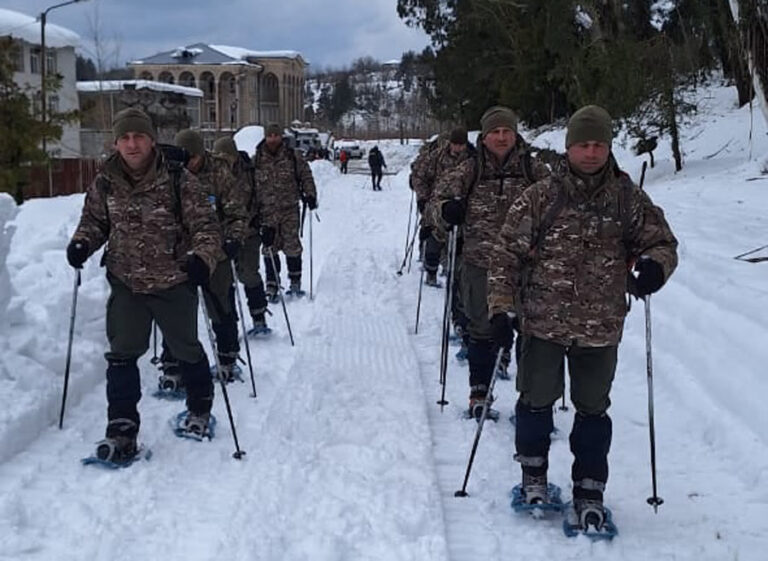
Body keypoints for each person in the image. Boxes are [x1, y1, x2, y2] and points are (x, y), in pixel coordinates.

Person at [487, 105, 678, 530]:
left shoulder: (628, 199)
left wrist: (655, 267)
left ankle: (589, 489)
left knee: (593, 410)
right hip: (542, 323)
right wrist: (501, 308)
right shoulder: (540, 197)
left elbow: (662, 242)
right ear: (569, 146)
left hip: (600, 327)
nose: (591, 153)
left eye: (599, 144)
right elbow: (505, 255)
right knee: (535, 401)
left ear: (608, 147)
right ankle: (533, 475)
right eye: (582, 144)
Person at [66, 108, 221, 461]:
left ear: (151, 140)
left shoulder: (180, 179)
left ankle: (199, 409)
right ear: (117, 142)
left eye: (138, 136)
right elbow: (94, 221)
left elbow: (206, 227)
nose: (132, 144)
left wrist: (203, 257)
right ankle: (121, 430)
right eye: (125, 138)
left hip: (174, 282)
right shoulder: (105, 180)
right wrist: (82, 243)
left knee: (186, 350)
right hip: (126, 283)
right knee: (121, 355)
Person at [431, 106, 550, 419]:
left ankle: (530, 402)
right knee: (481, 331)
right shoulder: (468, 171)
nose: (501, 137)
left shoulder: (533, 170)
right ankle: (479, 393)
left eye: (506, 131)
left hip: (527, 266)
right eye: (495, 132)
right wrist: (446, 211)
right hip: (480, 264)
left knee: (530, 333)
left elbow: (560, 205)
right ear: (483, 137)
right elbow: (436, 204)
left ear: (515, 134)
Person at [172, 130, 248, 383]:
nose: (188, 164)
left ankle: (227, 355)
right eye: (184, 158)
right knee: (176, 312)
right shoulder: (171, 173)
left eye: (192, 158)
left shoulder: (220, 173)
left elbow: (237, 213)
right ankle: (172, 363)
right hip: (181, 255)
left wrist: (234, 240)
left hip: (216, 253)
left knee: (219, 305)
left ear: (201, 154)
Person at [213, 136, 270, 335]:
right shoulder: (213, 174)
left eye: (227, 156)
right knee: (225, 283)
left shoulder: (250, 171)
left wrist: (265, 223)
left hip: (250, 232)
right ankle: (231, 329)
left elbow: (263, 197)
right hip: (223, 238)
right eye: (219, 157)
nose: (224, 160)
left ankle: (259, 316)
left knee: (248, 274)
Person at [254, 123, 318, 300]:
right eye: (270, 136)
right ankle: (272, 284)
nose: (273, 139)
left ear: (281, 136)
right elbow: (250, 185)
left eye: (276, 135)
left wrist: (310, 194)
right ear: (265, 137)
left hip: (289, 209)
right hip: (267, 212)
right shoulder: (257, 159)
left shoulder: (292, 156)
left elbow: (305, 175)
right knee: (269, 249)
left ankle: (295, 280)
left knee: (292, 246)